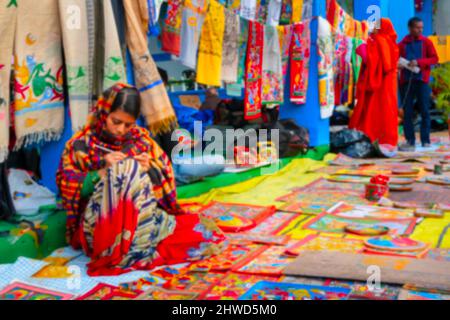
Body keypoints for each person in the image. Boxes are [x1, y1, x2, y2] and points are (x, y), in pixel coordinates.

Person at [56, 83, 225, 276]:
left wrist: (148, 170)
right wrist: (102, 172)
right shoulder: (81, 144)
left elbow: (165, 180)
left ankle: (134, 242)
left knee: (201, 231)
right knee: (124, 171)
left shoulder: (141, 140)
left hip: (140, 221)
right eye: (116, 121)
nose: (121, 130)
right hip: (99, 226)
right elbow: (66, 187)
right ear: (104, 113)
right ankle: (118, 247)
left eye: (128, 124)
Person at [349, 18, 400, 148]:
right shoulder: (392, 43)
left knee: (374, 110)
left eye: (376, 27)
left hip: (379, 82)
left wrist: (361, 49)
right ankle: (388, 140)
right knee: (388, 110)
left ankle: (373, 137)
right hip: (389, 83)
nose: (374, 29)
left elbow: (377, 63)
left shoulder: (380, 41)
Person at [398, 17, 439, 151]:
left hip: (422, 81)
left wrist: (419, 62)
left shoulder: (426, 42)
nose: (420, 30)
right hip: (406, 81)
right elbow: (395, 59)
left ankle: (425, 140)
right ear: (410, 28)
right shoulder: (402, 44)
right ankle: (410, 140)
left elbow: (434, 58)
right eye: (417, 27)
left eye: (421, 27)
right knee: (407, 112)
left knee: (424, 111)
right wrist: (399, 64)